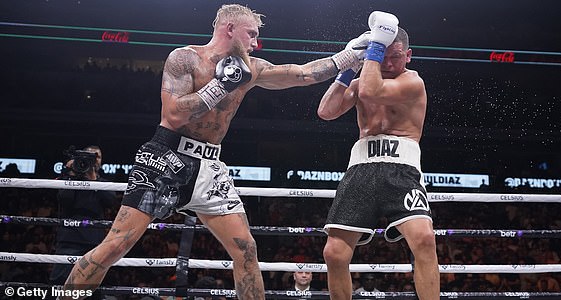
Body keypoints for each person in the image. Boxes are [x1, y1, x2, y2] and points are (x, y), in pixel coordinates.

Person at [62, 4, 367, 299]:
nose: (256, 42)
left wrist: (346, 56)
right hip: (165, 158)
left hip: (210, 165)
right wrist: (220, 86)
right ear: (229, 28)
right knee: (116, 246)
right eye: (251, 33)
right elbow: (174, 115)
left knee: (246, 249)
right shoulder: (184, 59)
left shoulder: (251, 67)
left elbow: (300, 74)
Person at [318, 11, 439, 300]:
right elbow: (326, 111)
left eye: (394, 56)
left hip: (402, 168)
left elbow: (372, 91)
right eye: (382, 55)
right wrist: (349, 65)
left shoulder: (413, 82)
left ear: (408, 55)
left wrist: (372, 51)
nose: (387, 62)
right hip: (362, 167)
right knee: (334, 253)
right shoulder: (364, 79)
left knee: (423, 239)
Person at [50, 146, 115, 299]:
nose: (93, 160)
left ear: (100, 161)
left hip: (94, 242)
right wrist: (72, 173)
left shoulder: (103, 183)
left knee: (92, 287)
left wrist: (93, 179)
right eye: (88, 156)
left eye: (96, 156)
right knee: (59, 283)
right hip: (69, 240)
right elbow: (64, 200)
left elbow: (110, 201)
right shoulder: (69, 179)